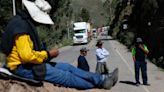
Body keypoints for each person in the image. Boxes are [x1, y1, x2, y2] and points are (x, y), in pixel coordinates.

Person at [0, 0, 118, 90]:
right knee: (66, 77)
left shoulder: (21, 22)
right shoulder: (22, 29)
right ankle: (101, 83)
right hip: (23, 68)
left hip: (29, 64)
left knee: (68, 67)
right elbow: (26, 56)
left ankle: (101, 78)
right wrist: (47, 54)